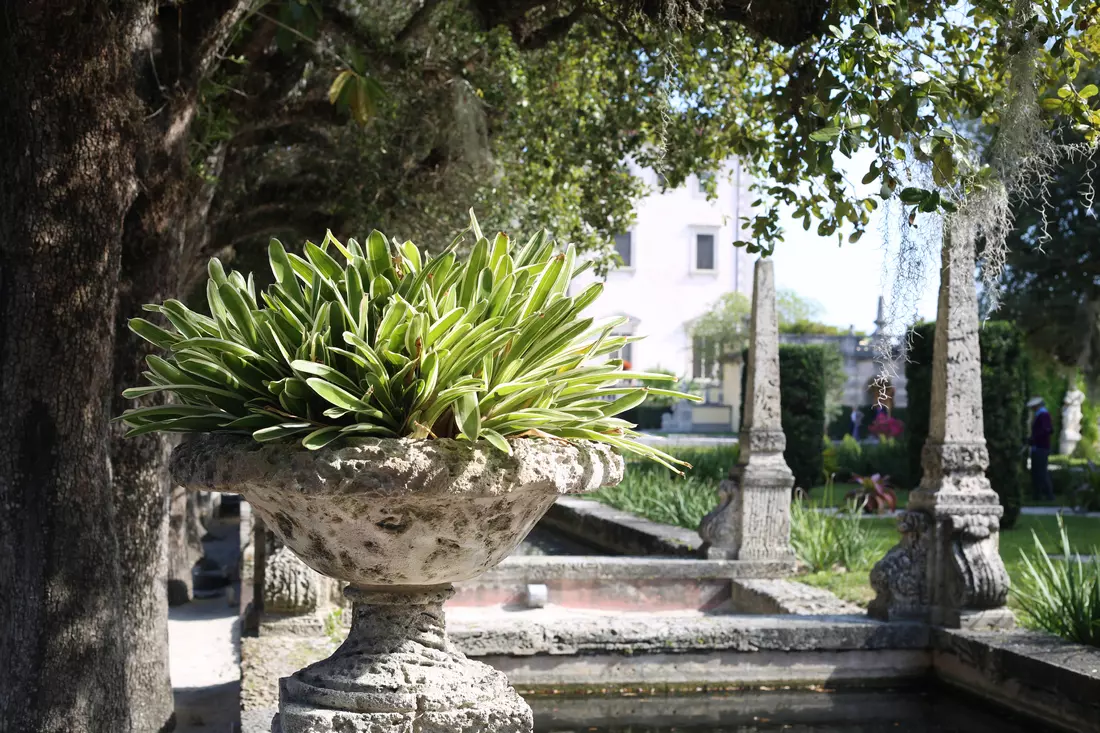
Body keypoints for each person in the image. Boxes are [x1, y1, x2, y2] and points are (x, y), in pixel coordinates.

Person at [1027, 396, 1055, 501]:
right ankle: (1038, 495)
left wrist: (1033, 439)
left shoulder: (1043, 415)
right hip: (1038, 446)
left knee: (1041, 471)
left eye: (1033, 407)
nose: (1032, 410)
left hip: (1041, 447)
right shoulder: (1041, 415)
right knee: (1037, 471)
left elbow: (1046, 430)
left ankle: (1049, 495)